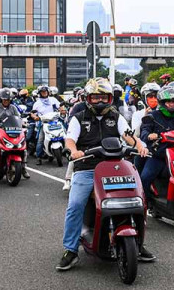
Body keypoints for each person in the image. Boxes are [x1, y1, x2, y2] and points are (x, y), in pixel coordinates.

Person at [56, 77, 154, 271]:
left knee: (137, 199)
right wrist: (74, 151)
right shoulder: (79, 117)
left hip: (115, 166)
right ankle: (71, 249)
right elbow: (70, 140)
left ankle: (138, 244)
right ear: (87, 98)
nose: (100, 101)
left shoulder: (115, 116)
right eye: (95, 97)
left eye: (103, 97)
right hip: (86, 167)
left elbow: (128, 135)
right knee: (75, 205)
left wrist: (140, 146)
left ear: (110, 98)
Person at [139, 87, 174, 204]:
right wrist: (149, 135)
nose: (171, 104)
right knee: (145, 178)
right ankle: (148, 202)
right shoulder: (153, 115)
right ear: (163, 102)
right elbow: (144, 131)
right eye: (169, 101)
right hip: (159, 155)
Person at [0, 88, 29, 179]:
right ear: (0, 99)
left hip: (13, 131)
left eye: (8, 99)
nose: (6, 101)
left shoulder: (13, 107)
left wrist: (23, 123)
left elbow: (18, 118)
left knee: (23, 148)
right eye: (4, 99)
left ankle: (23, 168)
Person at [31, 85, 61, 164]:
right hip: (44, 123)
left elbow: (60, 106)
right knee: (40, 140)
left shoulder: (53, 100)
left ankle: (67, 151)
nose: (44, 93)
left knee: (65, 133)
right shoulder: (37, 103)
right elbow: (32, 113)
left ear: (48, 92)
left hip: (55, 121)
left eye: (45, 91)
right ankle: (39, 157)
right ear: (40, 93)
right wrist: (35, 117)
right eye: (42, 92)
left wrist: (63, 110)